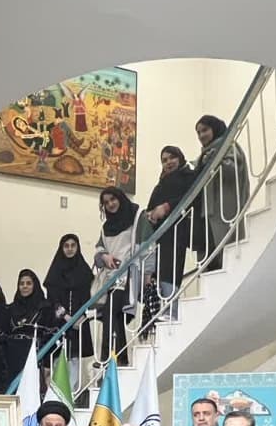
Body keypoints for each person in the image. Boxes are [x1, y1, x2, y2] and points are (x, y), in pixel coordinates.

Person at [92, 188, 142, 368]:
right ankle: (121, 359)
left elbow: (146, 243)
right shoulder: (106, 227)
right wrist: (104, 257)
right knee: (116, 316)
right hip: (111, 277)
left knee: (110, 312)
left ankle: (106, 355)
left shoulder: (136, 215)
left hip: (129, 274)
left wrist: (148, 272)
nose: (110, 204)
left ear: (120, 197)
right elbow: (98, 250)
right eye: (106, 202)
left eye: (113, 199)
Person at [193, 115, 249, 271]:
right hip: (206, 215)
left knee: (227, 254)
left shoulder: (228, 146)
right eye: (198, 132)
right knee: (209, 260)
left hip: (224, 212)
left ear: (215, 129)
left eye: (205, 130)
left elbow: (233, 172)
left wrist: (214, 160)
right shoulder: (204, 155)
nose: (201, 135)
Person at [143, 145, 196, 293]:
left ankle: (169, 312)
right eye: (164, 160)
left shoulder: (189, 176)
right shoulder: (161, 183)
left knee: (170, 274)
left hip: (177, 233)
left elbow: (191, 198)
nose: (169, 162)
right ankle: (161, 310)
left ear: (180, 158)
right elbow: (151, 207)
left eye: (172, 157)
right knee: (157, 275)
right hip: (160, 236)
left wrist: (167, 207)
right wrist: (150, 214)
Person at [43, 234, 95, 366]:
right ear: (61, 248)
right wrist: (66, 317)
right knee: (57, 361)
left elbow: (89, 297)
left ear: (78, 247)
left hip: (79, 323)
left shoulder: (84, 272)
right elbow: (52, 301)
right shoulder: (55, 273)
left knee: (75, 362)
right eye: (66, 246)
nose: (70, 249)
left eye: (73, 245)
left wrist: (82, 317)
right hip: (59, 323)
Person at [5, 270, 54, 379]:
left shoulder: (45, 307)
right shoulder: (10, 308)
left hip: (34, 353)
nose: (24, 286)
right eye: (21, 284)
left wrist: (47, 363)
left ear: (35, 285)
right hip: (13, 354)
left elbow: (49, 334)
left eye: (28, 283)